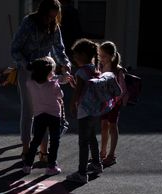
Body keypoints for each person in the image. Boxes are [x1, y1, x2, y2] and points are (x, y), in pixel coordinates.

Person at [11, 0, 71, 161]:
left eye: (54, 17)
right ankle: (26, 148)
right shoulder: (29, 23)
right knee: (29, 111)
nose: (51, 20)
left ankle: (43, 152)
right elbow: (15, 49)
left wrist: (65, 65)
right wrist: (27, 64)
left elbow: (59, 49)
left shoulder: (54, 27)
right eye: (49, 16)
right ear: (42, 12)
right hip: (28, 70)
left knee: (46, 111)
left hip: (46, 71)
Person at [23, 56, 71, 175]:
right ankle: (51, 166)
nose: (54, 73)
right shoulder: (53, 84)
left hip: (39, 114)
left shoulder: (30, 83)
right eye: (53, 71)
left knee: (36, 140)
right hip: (54, 115)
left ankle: (28, 165)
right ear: (48, 73)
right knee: (54, 140)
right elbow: (61, 95)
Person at [66, 38, 103, 184]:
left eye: (75, 54)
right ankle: (96, 163)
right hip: (95, 110)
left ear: (82, 55)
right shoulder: (94, 69)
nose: (73, 57)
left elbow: (78, 93)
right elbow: (86, 89)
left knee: (83, 142)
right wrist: (75, 85)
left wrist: (72, 104)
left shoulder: (81, 71)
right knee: (92, 137)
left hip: (85, 111)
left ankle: (82, 173)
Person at [98, 41, 128, 166]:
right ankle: (102, 152)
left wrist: (114, 101)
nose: (101, 58)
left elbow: (122, 90)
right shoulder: (100, 67)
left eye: (103, 56)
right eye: (100, 55)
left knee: (112, 126)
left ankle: (112, 154)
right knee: (104, 125)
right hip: (104, 102)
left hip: (114, 103)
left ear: (111, 56)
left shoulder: (118, 70)